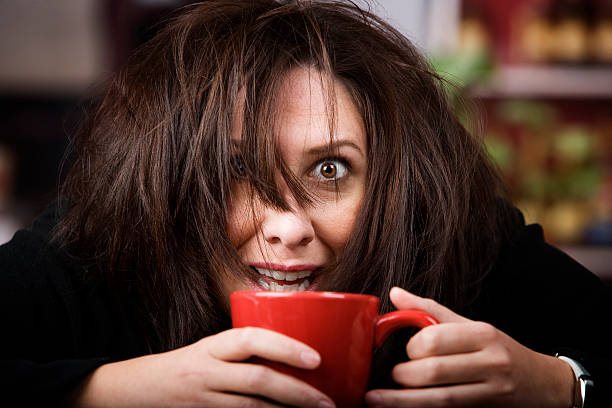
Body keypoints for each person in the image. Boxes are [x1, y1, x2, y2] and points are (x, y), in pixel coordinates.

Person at [1, 0, 611, 406]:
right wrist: (105, 391)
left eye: (330, 168)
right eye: (237, 170)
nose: (288, 227)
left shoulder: (450, 235)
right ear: (170, 182)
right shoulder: (100, 245)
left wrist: (562, 385)